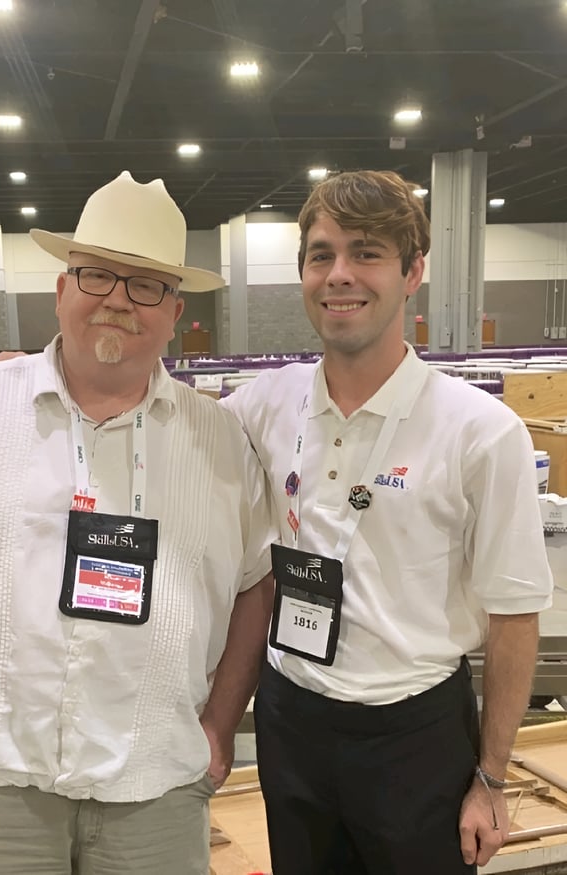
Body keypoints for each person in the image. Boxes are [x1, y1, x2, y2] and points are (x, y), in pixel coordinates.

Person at [0, 171, 275, 875]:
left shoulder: (219, 439)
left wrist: (220, 724)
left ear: (173, 309)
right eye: (98, 275)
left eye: (146, 285)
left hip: (155, 789)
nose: (118, 302)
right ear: (62, 288)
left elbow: (258, 582)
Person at [223, 169, 553, 874]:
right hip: (292, 717)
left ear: (413, 272)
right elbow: (159, 422)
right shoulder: (262, 404)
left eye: (367, 252)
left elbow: (514, 614)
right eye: (322, 254)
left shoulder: (481, 431)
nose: (340, 274)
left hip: (416, 733)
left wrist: (491, 779)